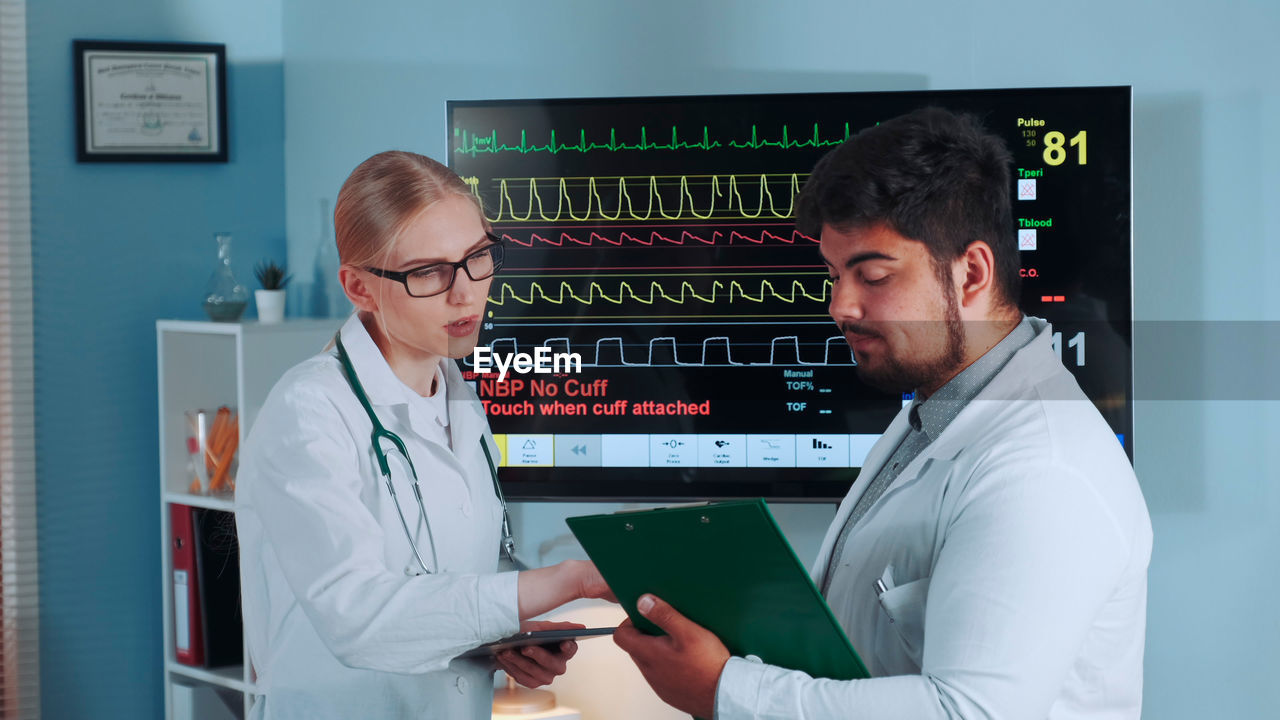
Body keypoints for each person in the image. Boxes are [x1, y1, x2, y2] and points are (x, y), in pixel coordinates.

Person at [613, 108, 1153, 719]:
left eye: (873, 275)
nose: (839, 305)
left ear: (972, 272)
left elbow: (969, 712)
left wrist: (725, 692)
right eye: (833, 273)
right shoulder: (932, 414)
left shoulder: (1043, 470)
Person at [236, 150, 610, 720]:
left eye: (477, 257)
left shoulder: (456, 391)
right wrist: (569, 579)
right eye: (428, 272)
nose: (465, 293)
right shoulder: (309, 411)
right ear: (359, 287)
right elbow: (359, 620)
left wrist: (507, 639)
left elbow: (449, 580)